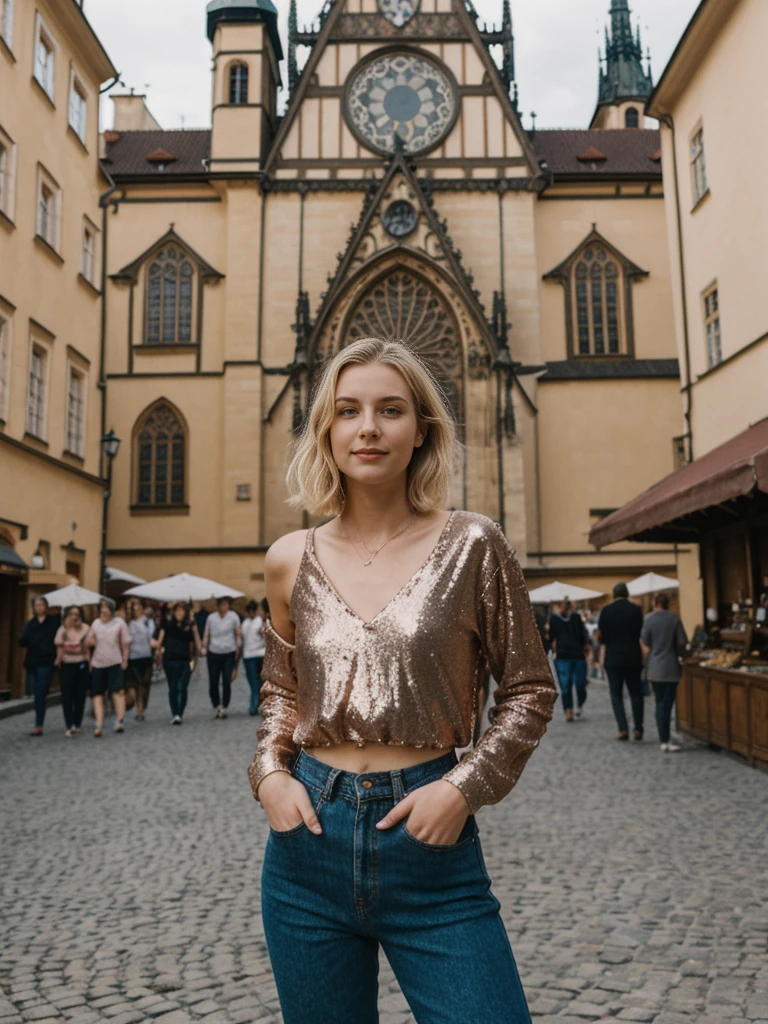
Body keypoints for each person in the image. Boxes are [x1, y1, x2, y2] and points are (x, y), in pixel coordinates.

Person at [247, 338, 556, 1024]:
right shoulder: (287, 559)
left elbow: (531, 689)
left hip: (431, 846)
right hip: (307, 851)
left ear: (420, 431)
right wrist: (270, 773)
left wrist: (462, 788)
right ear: (326, 429)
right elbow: (281, 691)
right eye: (349, 410)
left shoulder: (475, 544)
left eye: (391, 410)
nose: (369, 428)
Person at [597, 583, 645, 741]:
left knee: (616, 695)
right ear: (627, 594)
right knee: (636, 694)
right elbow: (640, 633)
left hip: (614, 658)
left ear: (614, 594)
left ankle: (623, 728)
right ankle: (638, 728)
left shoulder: (606, 611)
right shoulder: (636, 610)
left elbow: (602, 637)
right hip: (633, 656)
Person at [641, 593, 688, 752]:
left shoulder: (648, 619)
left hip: (655, 667)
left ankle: (663, 737)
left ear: (655, 603)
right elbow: (682, 641)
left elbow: (645, 642)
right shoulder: (674, 619)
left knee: (659, 702)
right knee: (667, 704)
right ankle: (665, 738)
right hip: (671, 667)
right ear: (668, 603)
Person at [85, 598, 131, 737]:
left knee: (117, 692)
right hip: (98, 663)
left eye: (106, 608)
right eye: (102, 608)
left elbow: (125, 643)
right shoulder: (96, 623)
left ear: (111, 609)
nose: (103, 610)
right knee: (97, 694)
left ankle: (119, 721)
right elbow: (88, 640)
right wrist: (90, 643)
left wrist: (125, 660)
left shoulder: (119, 623)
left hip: (115, 661)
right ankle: (98, 725)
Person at [18, 595, 60, 737]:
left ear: (46, 607)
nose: (39, 607)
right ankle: (38, 723)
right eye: (37, 605)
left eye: (41, 604)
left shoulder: (53, 623)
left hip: (47, 660)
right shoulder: (30, 624)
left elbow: (58, 640)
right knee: (38, 692)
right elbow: (22, 641)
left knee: (40, 691)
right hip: (33, 661)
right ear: (34, 608)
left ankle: (38, 724)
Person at [155, 602, 200, 725]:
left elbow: (195, 642)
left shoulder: (188, 626)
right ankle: (175, 713)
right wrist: (158, 653)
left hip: (185, 660)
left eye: (182, 611)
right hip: (170, 660)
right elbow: (160, 640)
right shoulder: (167, 624)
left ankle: (180, 712)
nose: (180, 613)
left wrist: (193, 625)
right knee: (173, 687)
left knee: (183, 687)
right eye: (178, 611)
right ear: (174, 612)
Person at [201, 596, 241, 719]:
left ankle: (224, 706)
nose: (224, 607)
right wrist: (204, 646)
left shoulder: (233, 617)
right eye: (221, 604)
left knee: (226, 680)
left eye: (226, 604)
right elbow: (207, 634)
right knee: (213, 680)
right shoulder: (211, 618)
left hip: (229, 652)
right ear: (218, 606)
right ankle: (217, 704)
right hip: (214, 652)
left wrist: (239, 644)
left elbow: (238, 633)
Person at [548, 599, 589, 721]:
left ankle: (579, 704)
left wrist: (584, 648)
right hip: (562, 656)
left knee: (580, 684)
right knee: (565, 685)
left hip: (578, 655)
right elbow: (552, 637)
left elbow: (582, 635)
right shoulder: (554, 619)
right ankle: (568, 710)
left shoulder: (576, 617)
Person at [54, 605, 90, 737]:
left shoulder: (85, 628)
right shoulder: (62, 629)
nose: (74, 617)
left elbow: (87, 645)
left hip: (81, 663)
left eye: (77, 614)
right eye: (71, 614)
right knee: (67, 695)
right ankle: (69, 724)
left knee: (80, 694)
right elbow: (58, 644)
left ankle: (77, 721)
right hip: (67, 663)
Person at [125, 598, 154, 721]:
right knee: (131, 686)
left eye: (137, 608)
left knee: (142, 685)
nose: (135, 611)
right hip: (131, 657)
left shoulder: (147, 621)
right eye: (133, 609)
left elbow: (151, 636)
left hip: (145, 656)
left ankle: (140, 710)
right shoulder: (127, 622)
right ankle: (131, 703)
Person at [241, 600, 266, 716]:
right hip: (250, 655)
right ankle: (256, 703)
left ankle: (254, 705)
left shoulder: (258, 622)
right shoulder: (245, 623)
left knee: (257, 682)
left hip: (258, 654)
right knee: (254, 682)